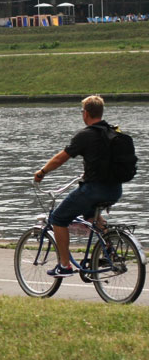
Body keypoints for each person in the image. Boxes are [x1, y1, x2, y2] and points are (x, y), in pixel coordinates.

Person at [34, 95, 122, 277]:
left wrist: (42, 172)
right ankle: (109, 249)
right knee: (90, 215)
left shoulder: (86, 135)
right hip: (115, 189)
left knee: (58, 219)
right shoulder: (114, 133)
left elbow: (61, 158)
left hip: (93, 190)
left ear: (86, 113)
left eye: (82, 111)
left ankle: (64, 265)